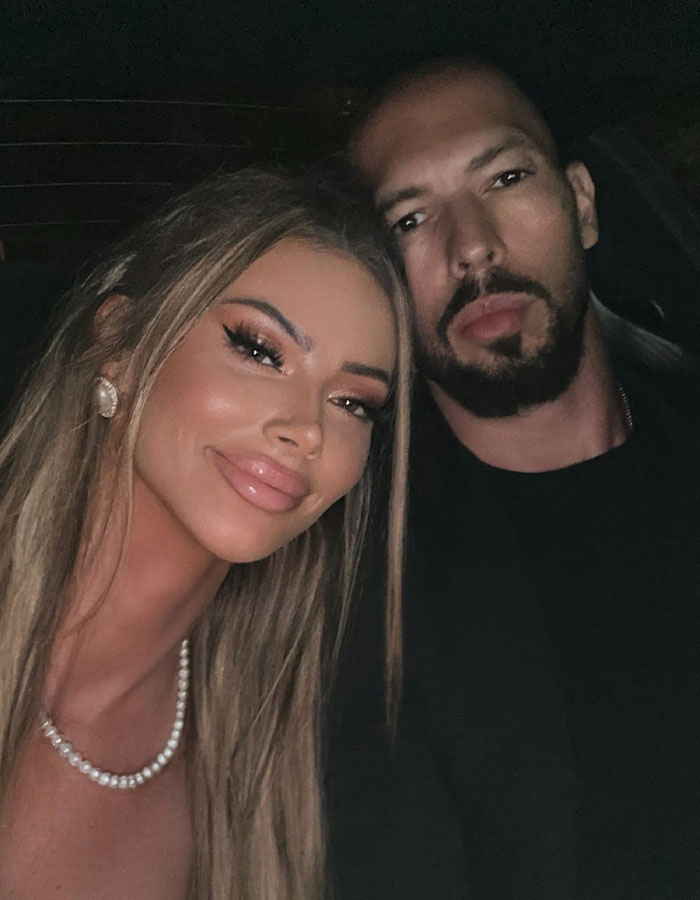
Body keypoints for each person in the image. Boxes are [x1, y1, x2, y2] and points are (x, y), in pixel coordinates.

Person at [325, 59, 700, 899]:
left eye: (505, 178)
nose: (473, 247)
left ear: (583, 204)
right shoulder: (357, 596)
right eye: (411, 218)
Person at [0, 169, 412, 900]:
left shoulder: (259, 757)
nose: (308, 428)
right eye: (259, 349)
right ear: (120, 344)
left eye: (353, 402)